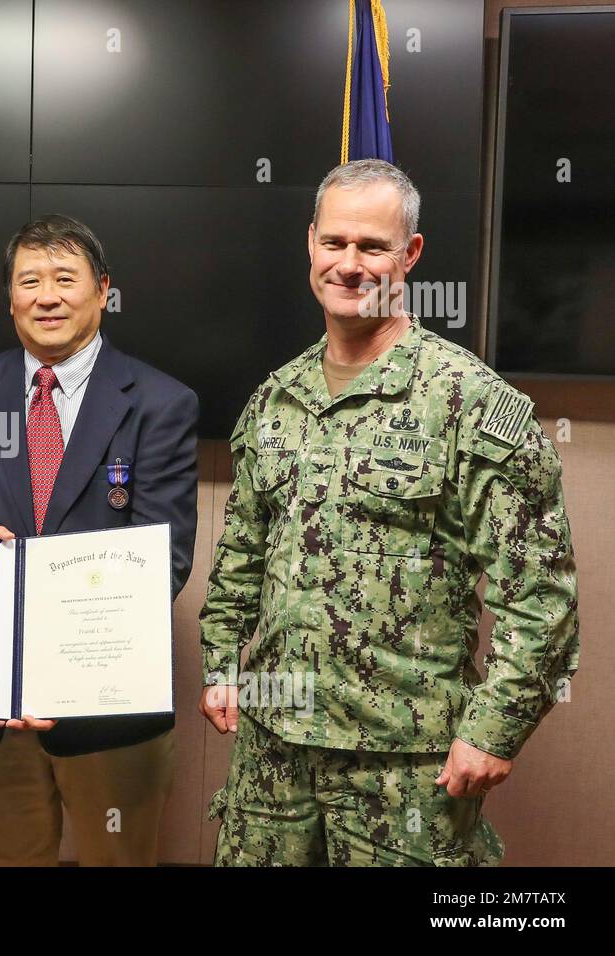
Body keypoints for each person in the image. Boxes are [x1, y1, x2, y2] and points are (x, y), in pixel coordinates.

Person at [199, 159, 580, 866]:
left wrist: (493, 730)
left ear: (411, 255)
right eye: (334, 243)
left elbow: (541, 596)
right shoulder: (274, 401)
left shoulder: (469, 404)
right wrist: (221, 663)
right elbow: (241, 559)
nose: (349, 265)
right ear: (310, 243)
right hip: (271, 761)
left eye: (372, 248)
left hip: (403, 770)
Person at [0, 214, 199, 866]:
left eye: (65, 279)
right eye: (29, 281)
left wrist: (61, 665)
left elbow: (165, 560)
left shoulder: (160, 402)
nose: (47, 296)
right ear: (11, 297)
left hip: (110, 707)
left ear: (102, 290)